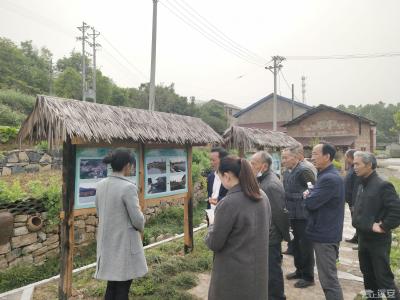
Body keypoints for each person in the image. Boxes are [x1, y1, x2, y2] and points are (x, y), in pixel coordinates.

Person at [205, 156, 271, 300]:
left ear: (227, 176)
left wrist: (212, 225)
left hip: (233, 273)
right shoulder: (262, 196)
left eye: (220, 177)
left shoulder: (229, 202)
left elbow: (214, 243)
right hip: (257, 270)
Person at [94, 149, 148, 300]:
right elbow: (137, 219)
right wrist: (141, 225)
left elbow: (99, 212)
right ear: (127, 165)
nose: (131, 168)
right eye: (131, 165)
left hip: (107, 244)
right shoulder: (128, 187)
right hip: (124, 245)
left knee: (112, 285)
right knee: (123, 288)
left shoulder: (101, 185)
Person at [352, 151, 400, 300]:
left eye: (357, 164)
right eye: (353, 164)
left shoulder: (382, 185)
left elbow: (396, 210)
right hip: (363, 238)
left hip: (378, 241)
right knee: (368, 276)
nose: (354, 167)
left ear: (369, 165)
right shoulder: (361, 183)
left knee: (383, 278)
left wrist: (384, 226)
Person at [304, 143, 344, 300]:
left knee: (329, 280)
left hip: (325, 235)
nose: (312, 157)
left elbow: (311, 203)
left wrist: (307, 196)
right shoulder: (325, 175)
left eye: (315, 154)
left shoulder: (329, 178)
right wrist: (310, 195)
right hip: (324, 231)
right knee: (327, 277)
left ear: (327, 156)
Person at [251, 151, 290, 300]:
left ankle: (277, 297)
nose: (251, 166)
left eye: (254, 164)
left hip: (271, 236)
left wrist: (285, 235)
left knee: (272, 270)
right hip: (267, 234)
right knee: (267, 270)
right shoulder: (263, 180)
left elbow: (280, 214)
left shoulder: (270, 185)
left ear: (264, 166)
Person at [282, 146, 316, 288]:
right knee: (295, 244)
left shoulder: (304, 171)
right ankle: (299, 270)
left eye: (286, 157)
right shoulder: (287, 172)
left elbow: (312, 189)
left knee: (305, 245)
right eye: (282, 157)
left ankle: (308, 276)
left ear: (296, 158)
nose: (283, 160)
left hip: (303, 214)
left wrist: (299, 197)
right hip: (292, 214)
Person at [344, 149, 359, 244]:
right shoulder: (351, 168)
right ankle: (357, 237)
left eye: (346, 157)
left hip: (354, 201)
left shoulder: (356, 170)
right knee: (355, 219)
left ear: (350, 157)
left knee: (357, 219)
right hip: (350, 200)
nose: (345, 159)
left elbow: (356, 187)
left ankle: (359, 239)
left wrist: (354, 203)